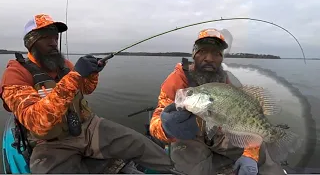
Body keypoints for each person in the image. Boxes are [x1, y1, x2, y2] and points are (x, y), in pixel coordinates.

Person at [0, 13, 175, 174]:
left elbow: (86, 89)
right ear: (31, 42)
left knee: (139, 143)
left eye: (55, 36)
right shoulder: (15, 73)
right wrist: (75, 75)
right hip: (51, 144)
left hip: (89, 127)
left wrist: (92, 73)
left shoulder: (64, 65)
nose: (53, 42)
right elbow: (37, 123)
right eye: (45, 37)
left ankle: (176, 169)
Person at [149, 28, 286, 175]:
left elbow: (246, 116)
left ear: (221, 58)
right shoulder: (177, 79)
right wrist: (167, 128)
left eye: (216, 53)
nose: (209, 58)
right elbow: (154, 124)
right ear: (194, 54)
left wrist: (250, 155)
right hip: (187, 138)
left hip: (220, 132)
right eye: (203, 51)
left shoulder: (223, 81)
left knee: (264, 157)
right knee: (192, 169)